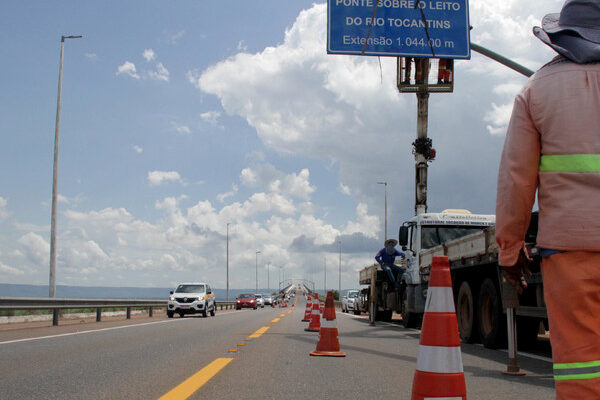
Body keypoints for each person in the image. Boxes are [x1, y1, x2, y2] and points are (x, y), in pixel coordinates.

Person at [495, 1, 600, 398]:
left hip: (571, 252)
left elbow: (516, 181)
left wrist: (510, 250)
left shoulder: (537, 90)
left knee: (582, 362)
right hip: (569, 248)